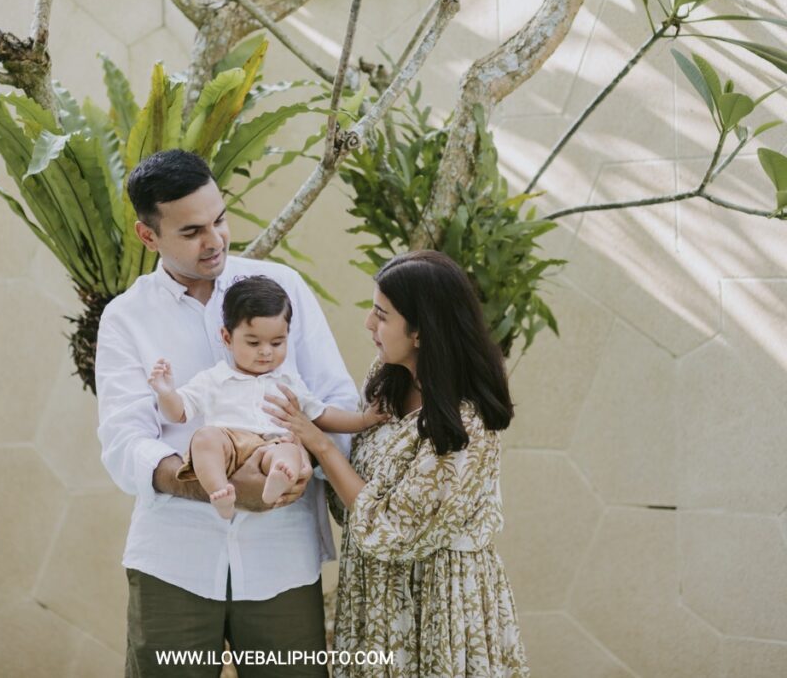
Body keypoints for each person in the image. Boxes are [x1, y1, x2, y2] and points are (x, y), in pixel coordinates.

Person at [95, 149, 358, 677]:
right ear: (148, 236)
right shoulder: (125, 318)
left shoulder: (283, 289)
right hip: (174, 562)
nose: (214, 240)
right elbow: (125, 442)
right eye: (192, 231)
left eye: (219, 219)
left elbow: (336, 399)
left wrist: (300, 463)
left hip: (282, 558)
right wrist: (209, 483)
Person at [265, 250, 531, 677]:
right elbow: (350, 504)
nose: (368, 323)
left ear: (421, 331)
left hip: (438, 609)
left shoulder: (466, 422)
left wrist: (319, 443)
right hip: (373, 602)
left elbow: (392, 530)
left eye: (381, 314)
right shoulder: (388, 380)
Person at [149, 275, 386, 519]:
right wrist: (167, 393)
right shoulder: (215, 378)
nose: (265, 352)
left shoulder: (288, 382)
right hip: (230, 444)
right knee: (204, 438)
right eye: (253, 343)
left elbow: (322, 415)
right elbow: (178, 413)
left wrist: (363, 420)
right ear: (227, 338)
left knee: (289, 450)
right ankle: (220, 491)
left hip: (272, 444)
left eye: (277, 342)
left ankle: (278, 477)